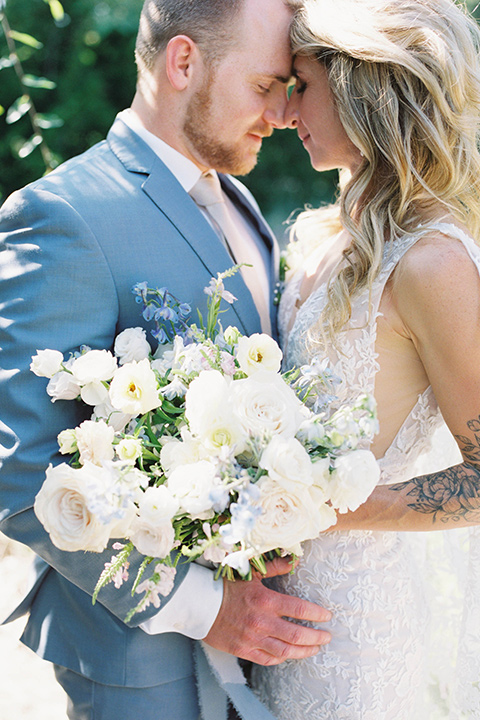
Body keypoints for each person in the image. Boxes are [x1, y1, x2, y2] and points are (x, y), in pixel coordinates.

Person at [0, 1, 333, 719]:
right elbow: (20, 469)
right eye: (266, 84)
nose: (281, 114)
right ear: (184, 62)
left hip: (268, 658)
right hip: (141, 670)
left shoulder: (239, 204)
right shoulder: (60, 216)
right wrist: (202, 606)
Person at [250, 0, 480, 717]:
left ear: (364, 89)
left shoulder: (432, 263)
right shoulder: (327, 235)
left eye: (303, 84)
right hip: (272, 612)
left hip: (357, 639)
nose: (287, 112)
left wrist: (332, 509)